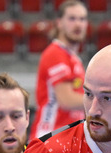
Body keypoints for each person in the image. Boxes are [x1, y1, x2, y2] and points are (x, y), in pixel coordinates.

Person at [31, 0, 88, 140]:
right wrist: (103, 100)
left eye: (82, 19)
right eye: (72, 18)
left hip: (67, 136)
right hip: (50, 136)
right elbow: (66, 100)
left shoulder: (73, 58)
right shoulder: (56, 53)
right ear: (59, 23)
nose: (78, 24)